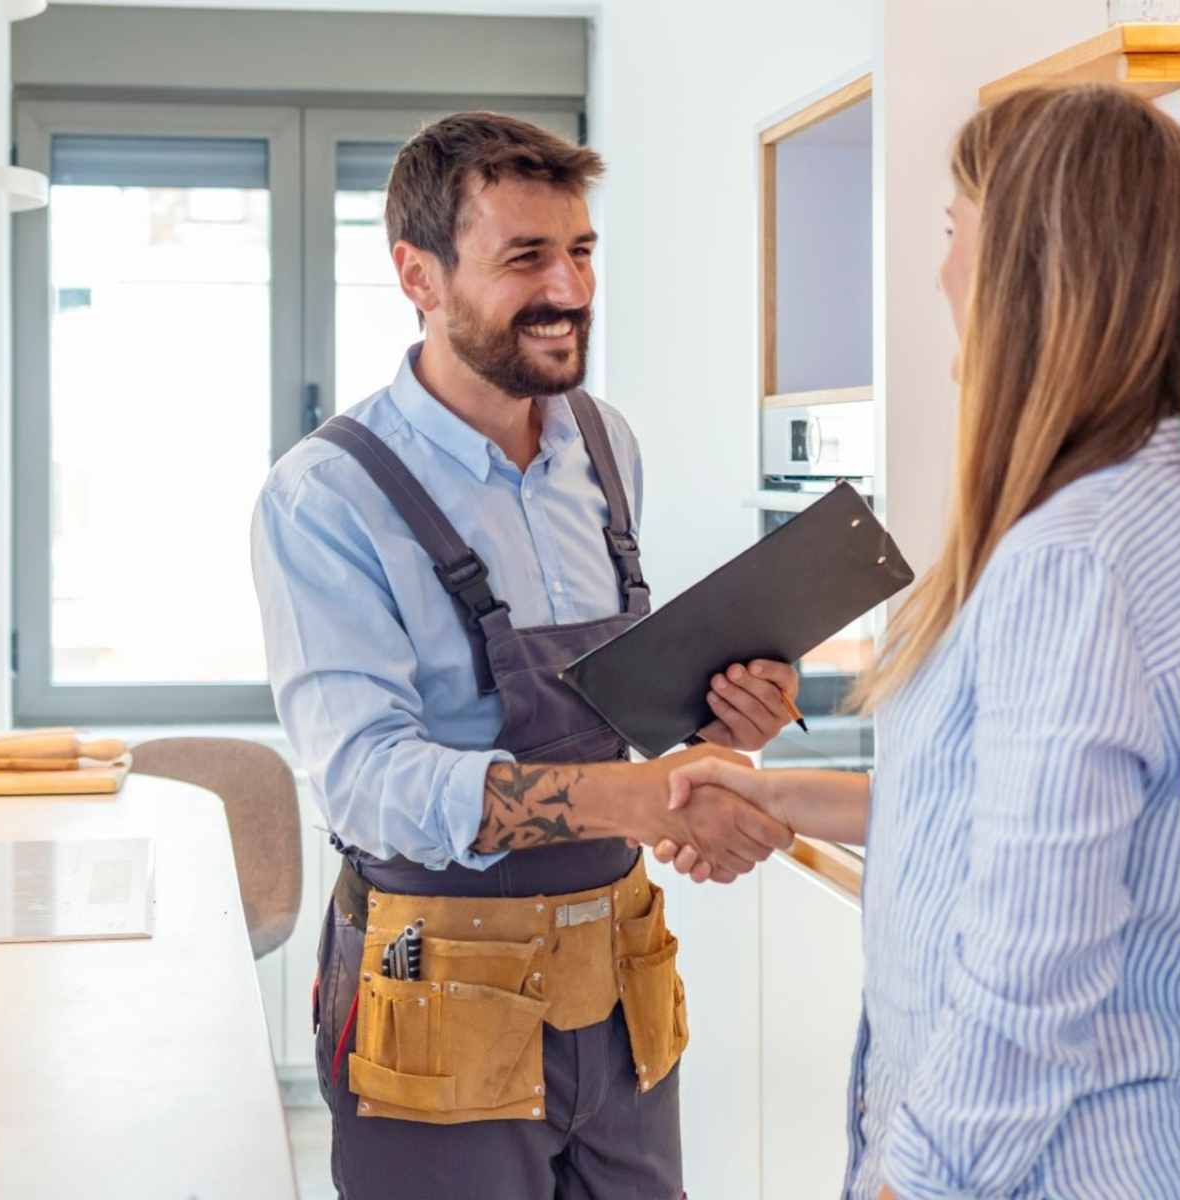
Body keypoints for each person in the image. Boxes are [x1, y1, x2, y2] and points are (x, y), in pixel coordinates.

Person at [663, 84, 1180, 1199]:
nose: (941, 274)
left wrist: (910, 1185)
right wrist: (787, 798)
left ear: (1026, 271)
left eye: (952, 234)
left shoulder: (1073, 558)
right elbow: (1030, 829)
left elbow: (1029, 971)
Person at [251, 111, 800, 1199]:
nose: (569, 288)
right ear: (417, 274)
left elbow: (602, 715)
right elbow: (368, 786)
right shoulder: (326, 496)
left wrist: (713, 717)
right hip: (438, 1005)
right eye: (525, 258)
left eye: (581, 251)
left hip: (619, 986)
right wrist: (637, 802)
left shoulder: (604, 444)